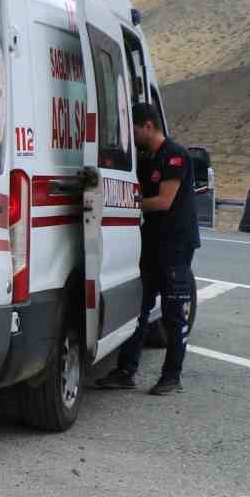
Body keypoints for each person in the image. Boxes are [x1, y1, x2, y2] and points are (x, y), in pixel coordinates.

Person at [96, 103, 199, 396]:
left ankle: (172, 377)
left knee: (173, 311)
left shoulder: (175, 155)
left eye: (135, 129)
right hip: (151, 241)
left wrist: (127, 204)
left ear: (149, 126)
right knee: (138, 308)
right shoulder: (145, 158)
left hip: (175, 244)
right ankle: (126, 371)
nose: (132, 135)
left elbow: (164, 201)